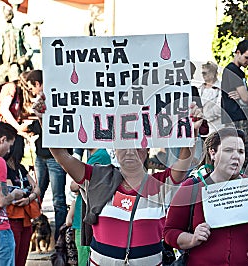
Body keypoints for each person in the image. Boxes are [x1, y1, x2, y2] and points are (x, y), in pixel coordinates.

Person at [33, 93, 203, 264]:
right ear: (114, 149)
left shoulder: (158, 184)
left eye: (137, 146)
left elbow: (183, 164)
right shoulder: (96, 178)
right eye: (123, 146)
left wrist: (192, 131)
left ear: (146, 150)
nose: (130, 152)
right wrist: (46, 123)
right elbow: (64, 158)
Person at [164, 128, 248, 265]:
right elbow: (169, 232)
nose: (236, 156)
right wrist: (192, 239)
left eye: (241, 152)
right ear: (213, 153)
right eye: (229, 150)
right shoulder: (192, 188)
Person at [26, 69, 68, 241]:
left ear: (38, 84)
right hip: (41, 154)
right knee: (36, 195)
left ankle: (59, 241)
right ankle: (35, 234)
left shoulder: (56, 99)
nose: (31, 91)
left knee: (58, 200)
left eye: (31, 88)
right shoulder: (38, 101)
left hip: (55, 156)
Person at [66, 148, 111, 266]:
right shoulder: (96, 154)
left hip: (86, 218)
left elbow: (75, 185)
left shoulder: (99, 155)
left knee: (84, 258)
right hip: (84, 215)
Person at [0, 122, 26, 265]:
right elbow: (1, 200)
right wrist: (15, 195)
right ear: (2, 140)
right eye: (9, 145)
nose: (9, 150)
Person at [221, 39, 248, 174]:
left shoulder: (236, 71)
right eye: (247, 57)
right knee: (242, 157)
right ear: (237, 53)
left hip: (235, 119)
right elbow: (246, 97)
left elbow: (243, 95)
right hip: (237, 120)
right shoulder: (232, 70)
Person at [4, 135, 41, 266]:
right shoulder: (3, 167)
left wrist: (30, 197)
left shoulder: (21, 168)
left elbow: (37, 188)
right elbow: (11, 192)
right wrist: (29, 193)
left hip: (26, 218)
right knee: (13, 256)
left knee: (22, 256)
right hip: (12, 218)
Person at [0, 8, 33, 85]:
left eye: (9, 14)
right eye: (6, 14)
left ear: (12, 15)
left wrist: (25, 58)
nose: (7, 16)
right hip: (3, 64)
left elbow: (29, 50)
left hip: (14, 64)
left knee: (16, 85)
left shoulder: (18, 31)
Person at [198, 61, 223, 135]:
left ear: (213, 73)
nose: (203, 75)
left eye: (205, 73)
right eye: (202, 73)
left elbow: (220, 107)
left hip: (216, 127)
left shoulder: (221, 87)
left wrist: (205, 117)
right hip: (201, 128)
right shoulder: (200, 88)